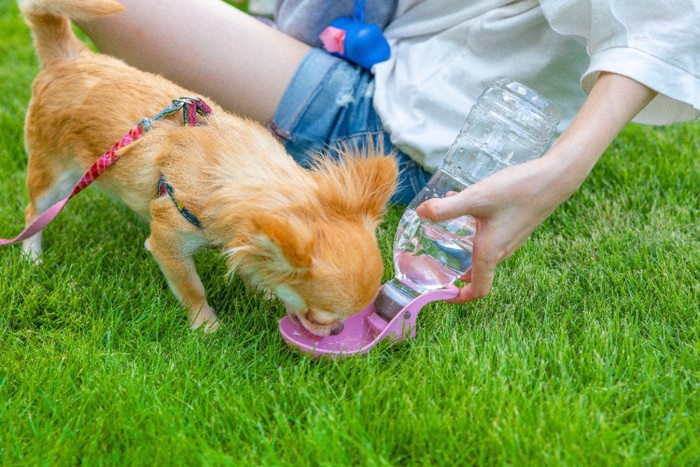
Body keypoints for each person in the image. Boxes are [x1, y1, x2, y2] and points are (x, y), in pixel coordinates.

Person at [77, 0, 700, 304]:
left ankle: (286, 122)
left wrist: (561, 170)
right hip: (376, 71)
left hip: (405, 121)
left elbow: (671, 20)